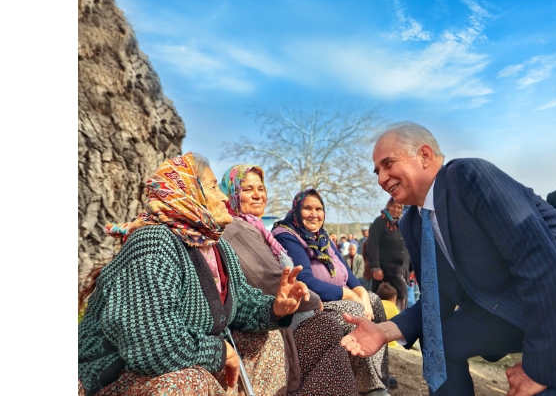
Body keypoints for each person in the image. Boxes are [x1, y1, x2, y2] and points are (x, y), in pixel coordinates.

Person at [341, 122, 556, 396]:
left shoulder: (468, 177)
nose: (381, 179)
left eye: (388, 164)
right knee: (439, 338)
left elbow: (542, 265)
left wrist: (538, 367)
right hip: (508, 309)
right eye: (377, 171)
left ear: (424, 155)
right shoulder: (412, 221)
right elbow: (436, 300)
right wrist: (384, 331)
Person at [78, 153, 310, 396]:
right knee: (188, 381)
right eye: (212, 187)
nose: (222, 196)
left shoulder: (216, 247)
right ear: (187, 194)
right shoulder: (154, 242)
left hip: (181, 361)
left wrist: (276, 308)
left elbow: (242, 303)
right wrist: (219, 350)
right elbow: (151, 347)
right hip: (116, 374)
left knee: (266, 341)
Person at [220, 164, 358, 396]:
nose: (258, 195)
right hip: (273, 315)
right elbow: (271, 280)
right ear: (232, 193)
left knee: (352, 315)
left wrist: (358, 291)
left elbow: (345, 272)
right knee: (332, 325)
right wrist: (315, 301)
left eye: (261, 188)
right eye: (247, 189)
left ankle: (371, 386)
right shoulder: (236, 229)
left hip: (290, 310)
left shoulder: (256, 228)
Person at [272, 189, 391, 396]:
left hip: (340, 296)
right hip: (314, 302)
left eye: (319, 209)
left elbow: (349, 276)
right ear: (297, 210)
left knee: (375, 301)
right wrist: (351, 296)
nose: (314, 214)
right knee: (353, 310)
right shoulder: (287, 236)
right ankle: (370, 387)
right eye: (307, 208)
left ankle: (380, 377)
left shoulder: (323, 238)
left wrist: (362, 295)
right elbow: (306, 280)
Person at [367, 197, 411, 311]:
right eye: (394, 206)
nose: (397, 209)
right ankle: (383, 323)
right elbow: (372, 245)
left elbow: (408, 246)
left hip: (401, 270)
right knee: (384, 297)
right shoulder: (380, 222)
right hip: (384, 271)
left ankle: (401, 322)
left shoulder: (404, 224)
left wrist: (411, 268)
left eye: (399, 207)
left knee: (402, 297)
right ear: (388, 206)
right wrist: (375, 267)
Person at [376, 283, 400, 348]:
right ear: (392, 299)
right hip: (391, 342)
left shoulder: (376, 304)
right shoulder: (394, 308)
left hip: (376, 340)